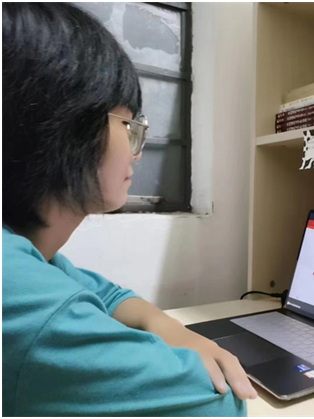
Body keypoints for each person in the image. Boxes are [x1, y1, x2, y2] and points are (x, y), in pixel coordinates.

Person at [2, 3, 256, 416]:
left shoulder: (27, 256)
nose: (136, 153)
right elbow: (219, 403)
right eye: (128, 126)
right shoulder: (24, 297)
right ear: (68, 125)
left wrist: (171, 328)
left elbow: (110, 295)